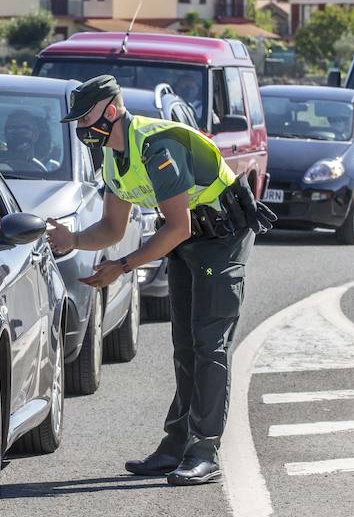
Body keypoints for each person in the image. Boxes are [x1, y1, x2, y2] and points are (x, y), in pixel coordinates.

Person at [46, 75, 273, 486]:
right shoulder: (114, 157)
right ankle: (175, 446)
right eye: (76, 120)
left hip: (220, 239)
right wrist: (73, 240)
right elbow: (113, 228)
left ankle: (204, 451)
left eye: (86, 118)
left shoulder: (156, 147)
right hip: (189, 241)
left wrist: (124, 266)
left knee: (209, 344)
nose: (81, 128)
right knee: (184, 345)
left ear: (110, 112)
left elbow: (177, 226)